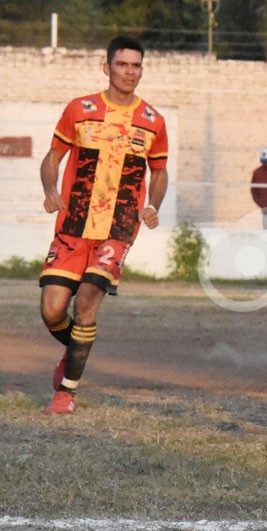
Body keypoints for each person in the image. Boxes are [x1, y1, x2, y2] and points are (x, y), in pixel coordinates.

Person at [38, 35, 169, 414]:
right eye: (123, 64)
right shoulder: (80, 109)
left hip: (119, 226)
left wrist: (153, 204)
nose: (130, 72)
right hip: (72, 223)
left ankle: (66, 393)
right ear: (106, 66)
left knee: (88, 304)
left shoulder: (152, 121)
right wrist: (50, 188)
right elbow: (52, 157)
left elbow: (159, 172)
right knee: (51, 310)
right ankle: (74, 350)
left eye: (136, 65)